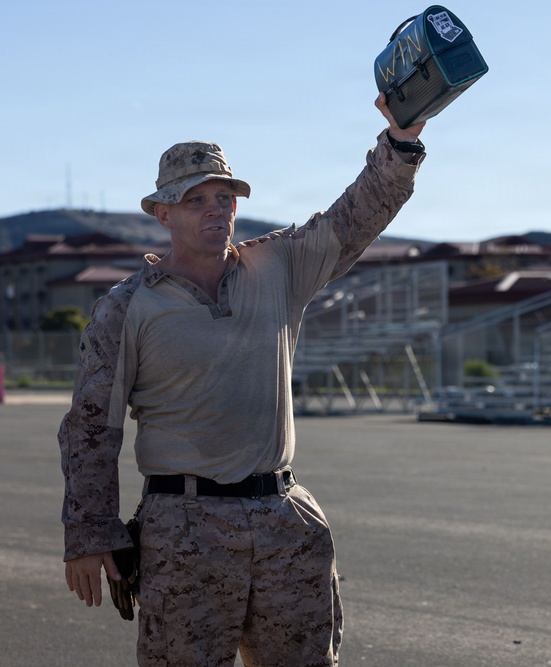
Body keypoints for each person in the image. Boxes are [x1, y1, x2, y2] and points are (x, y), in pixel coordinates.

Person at [59, 93, 425, 666]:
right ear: (163, 212)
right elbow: (90, 427)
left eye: (225, 196)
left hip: (283, 519)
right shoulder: (127, 308)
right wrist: (89, 533)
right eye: (195, 199)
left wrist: (401, 142)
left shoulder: (278, 267)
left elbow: (356, 216)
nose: (215, 209)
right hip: (184, 530)